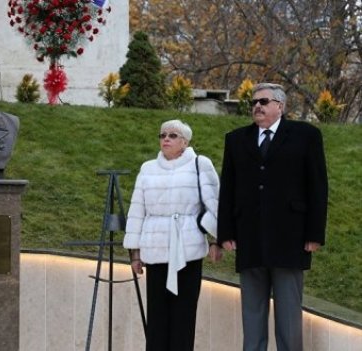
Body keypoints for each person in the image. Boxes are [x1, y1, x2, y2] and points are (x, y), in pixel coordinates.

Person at [217, 83, 328, 351]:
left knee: (289, 315)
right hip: (249, 237)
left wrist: (314, 233)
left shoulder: (306, 135)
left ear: (281, 105)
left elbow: (317, 186)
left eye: (264, 101)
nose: (257, 106)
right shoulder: (236, 139)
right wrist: (226, 233)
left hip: (290, 237)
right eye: (254, 102)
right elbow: (228, 188)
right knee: (252, 314)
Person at [122, 119, 221, 351]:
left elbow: (216, 205)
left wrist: (215, 238)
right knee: (157, 318)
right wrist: (135, 253)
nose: (166, 138)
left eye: (173, 135)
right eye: (162, 134)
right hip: (155, 250)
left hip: (187, 251)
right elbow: (137, 210)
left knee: (184, 317)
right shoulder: (148, 168)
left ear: (185, 142)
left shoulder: (200, 164)